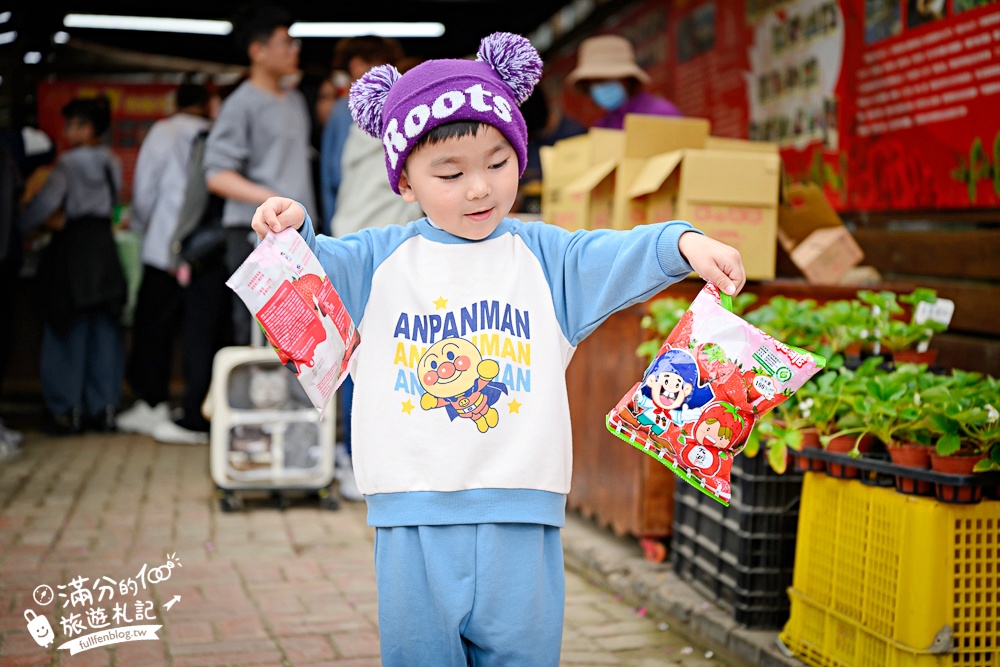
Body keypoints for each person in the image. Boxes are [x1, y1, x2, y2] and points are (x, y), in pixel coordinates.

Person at [250, 32, 745, 665]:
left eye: (498, 162)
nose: (479, 188)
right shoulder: (377, 261)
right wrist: (285, 225)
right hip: (411, 518)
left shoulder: (547, 257)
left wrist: (683, 245)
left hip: (524, 514)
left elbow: (619, 251)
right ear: (405, 183)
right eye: (450, 174)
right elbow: (308, 267)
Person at [320, 35, 420, 502]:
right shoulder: (419, 103)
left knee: (353, 350)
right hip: (392, 243)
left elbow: (329, 179)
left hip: (350, 240)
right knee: (389, 347)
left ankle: (349, 456)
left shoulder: (342, 113)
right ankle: (366, 454)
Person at [204, 2, 316, 347]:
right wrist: (268, 198)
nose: (294, 50)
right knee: (259, 324)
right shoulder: (241, 103)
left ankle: (291, 402)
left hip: (296, 233)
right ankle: (259, 400)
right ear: (258, 51)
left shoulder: (295, 101)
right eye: (286, 42)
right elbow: (216, 174)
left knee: (302, 322)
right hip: (255, 231)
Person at [20, 95, 126, 434]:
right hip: (105, 249)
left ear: (87, 128)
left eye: (71, 124)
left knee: (67, 328)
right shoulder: (112, 160)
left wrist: (17, 225)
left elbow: (45, 206)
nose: (66, 131)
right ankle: (104, 410)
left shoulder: (67, 164)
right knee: (105, 332)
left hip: (73, 250)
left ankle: (68, 411)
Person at [116, 82, 214, 438]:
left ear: (177, 102)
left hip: (163, 247)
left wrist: (141, 228)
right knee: (197, 333)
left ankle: (152, 402)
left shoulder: (164, 131)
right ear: (206, 104)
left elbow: (144, 189)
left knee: (153, 328)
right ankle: (193, 407)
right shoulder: (214, 132)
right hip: (204, 252)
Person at [318, 35, 404, 234]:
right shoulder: (347, 111)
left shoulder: (342, 109)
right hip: (390, 222)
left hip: (350, 222)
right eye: (383, 66)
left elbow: (332, 173)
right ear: (357, 65)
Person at [566, 34, 682, 129]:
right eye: (592, 83)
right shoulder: (602, 127)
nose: (599, 88)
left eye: (603, 80)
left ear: (626, 78)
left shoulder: (660, 114)